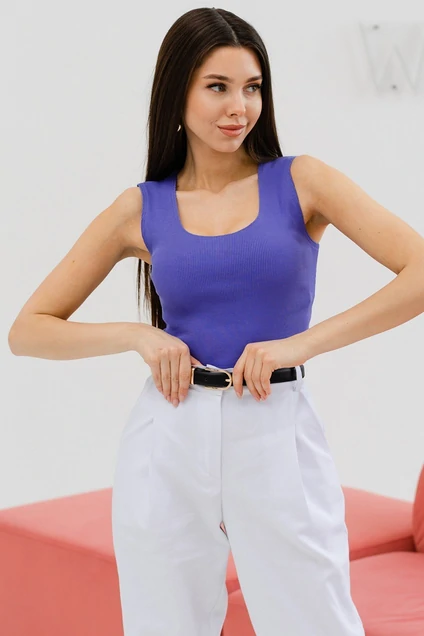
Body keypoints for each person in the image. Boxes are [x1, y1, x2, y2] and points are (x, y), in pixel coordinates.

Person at [8, 7, 424, 636]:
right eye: (218, 87)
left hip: (274, 422)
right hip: (170, 430)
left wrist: (300, 345)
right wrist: (138, 336)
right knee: (164, 624)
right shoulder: (141, 208)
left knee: (314, 619)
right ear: (178, 93)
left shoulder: (302, 181)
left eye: (252, 87)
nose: (240, 107)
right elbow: (28, 329)